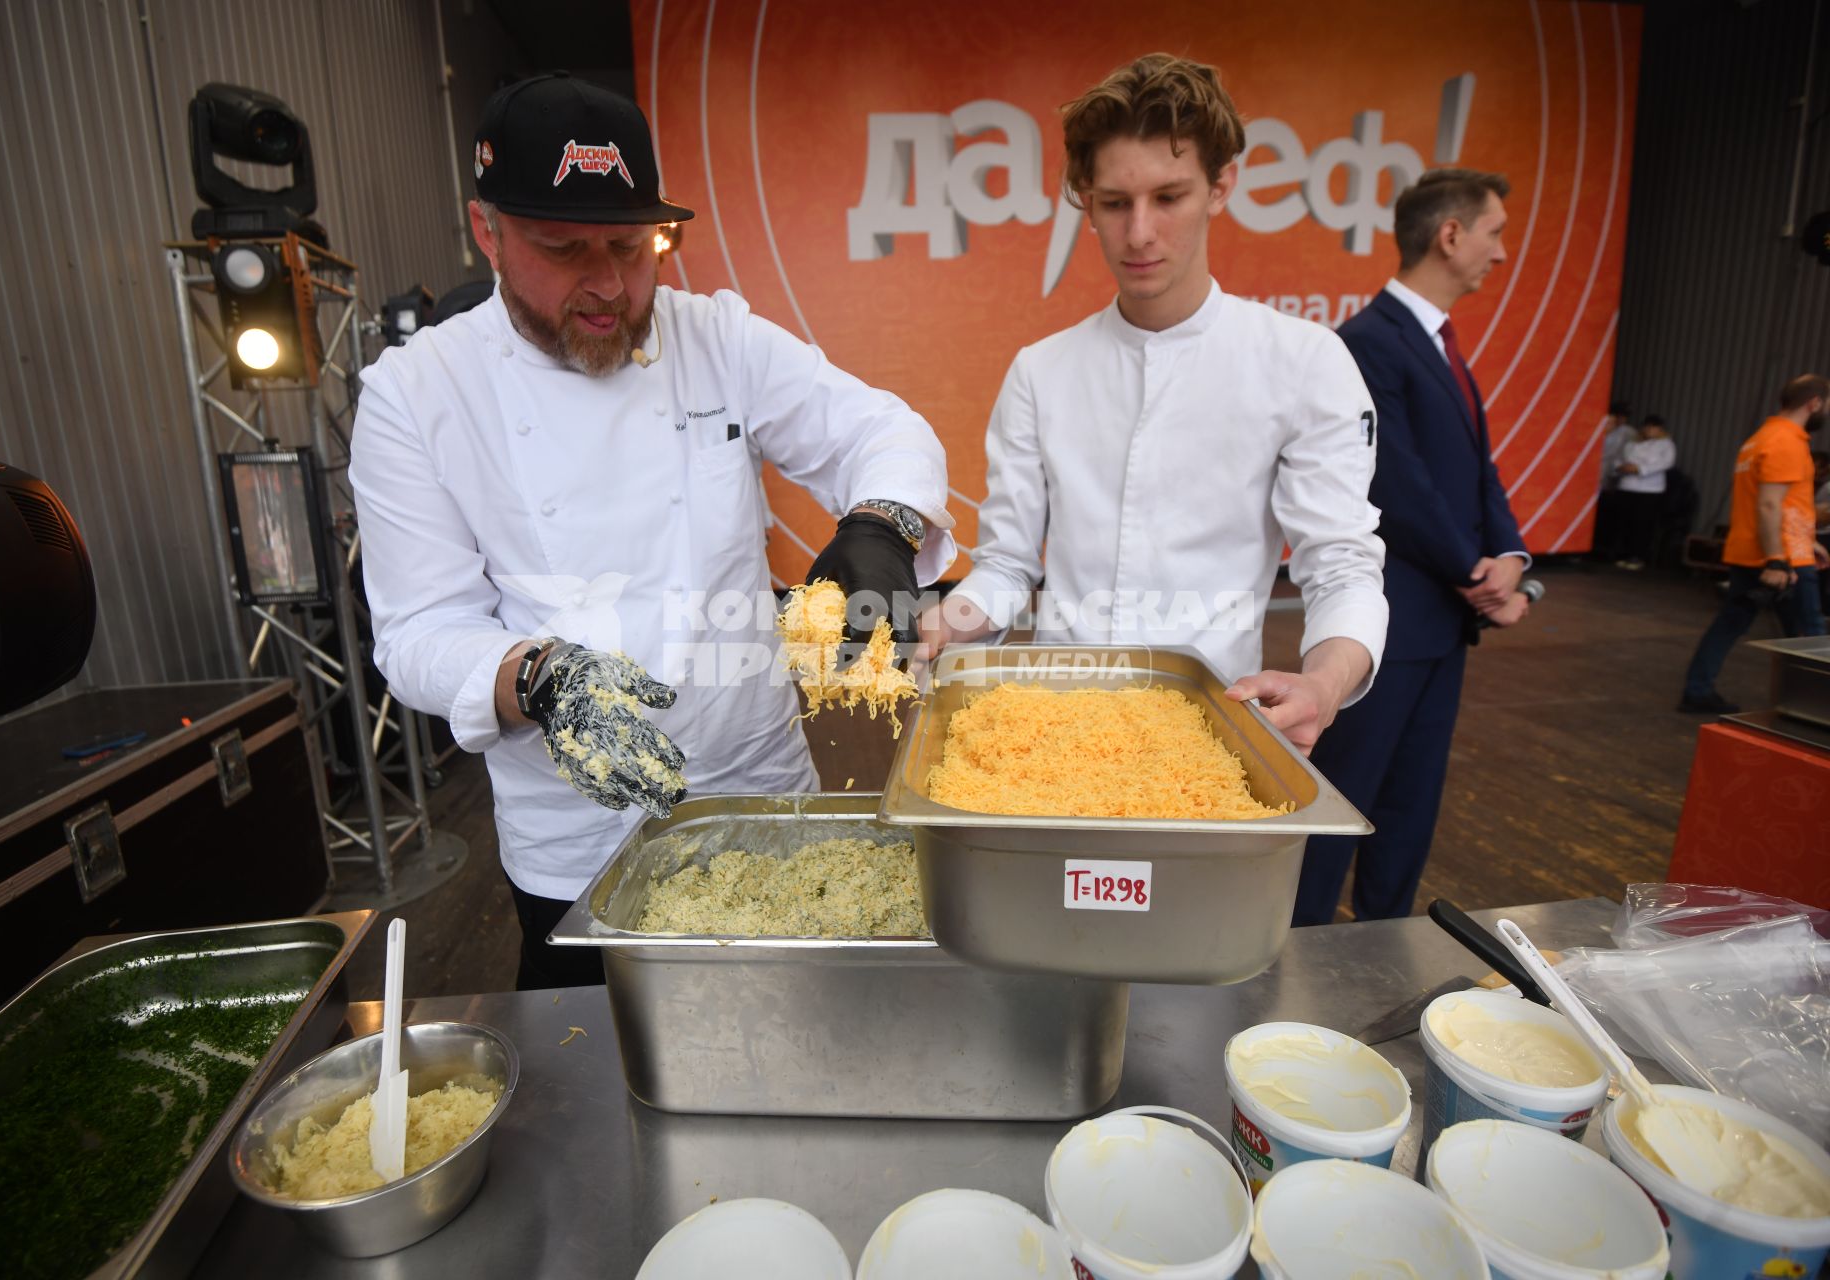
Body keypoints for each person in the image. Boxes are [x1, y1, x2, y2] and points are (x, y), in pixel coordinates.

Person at [349, 73, 954, 989]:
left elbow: (881, 429)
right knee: (600, 1085)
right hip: (576, 841)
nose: (607, 286)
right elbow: (418, 631)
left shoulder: (717, 338)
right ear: (488, 232)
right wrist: (539, 678)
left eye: (632, 248)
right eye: (563, 249)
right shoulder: (417, 394)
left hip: (761, 793)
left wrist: (885, 526)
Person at [916, 52, 1387, 754]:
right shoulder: (1041, 371)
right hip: (1055, 729)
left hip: (1211, 729)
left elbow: (1342, 565)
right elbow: (1010, 564)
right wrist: (952, 619)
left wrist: (1323, 685)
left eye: (1169, 198)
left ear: (1221, 186)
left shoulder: (1302, 362)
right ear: (1085, 197)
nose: (1139, 233)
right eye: (1114, 203)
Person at [1293, 169, 1531, 927]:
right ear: (1450, 234)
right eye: (1493, 232)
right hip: (1383, 624)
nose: (1501, 251)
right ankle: (1297, 948)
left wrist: (1514, 557)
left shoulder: (1443, 347)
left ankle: (1386, 948)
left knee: (1409, 805)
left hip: (1443, 627)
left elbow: (1477, 472)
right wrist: (1474, 571)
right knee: (1343, 799)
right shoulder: (1367, 342)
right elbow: (1397, 481)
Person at [1678, 375, 1830, 714]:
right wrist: (1778, 558)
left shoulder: (1759, 439)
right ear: (1814, 402)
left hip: (1755, 551)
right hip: (1781, 558)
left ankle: (1697, 689)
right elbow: (1769, 505)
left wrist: (1807, 540)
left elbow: (1782, 504)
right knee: (1809, 635)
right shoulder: (1787, 442)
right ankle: (1816, 711)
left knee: (1731, 622)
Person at [1611, 414, 1676, 570]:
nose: (1649, 430)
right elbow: (1618, 458)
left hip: (1650, 489)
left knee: (1643, 524)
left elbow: (1666, 462)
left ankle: (1638, 556)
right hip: (1628, 486)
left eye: (1654, 427)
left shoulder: (1666, 444)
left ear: (1660, 429)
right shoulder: (1632, 443)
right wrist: (1621, 467)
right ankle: (1624, 553)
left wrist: (1640, 469)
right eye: (1647, 426)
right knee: (1626, 522)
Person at [1593, 400, 1635, 557]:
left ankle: (1606, 549)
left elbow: (1628, 455)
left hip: (1615, 477)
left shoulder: (1629, 433)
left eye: (1623, 417)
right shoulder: (1600, 428)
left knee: (1609, 515)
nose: (1620, 420)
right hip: (1596, 474)